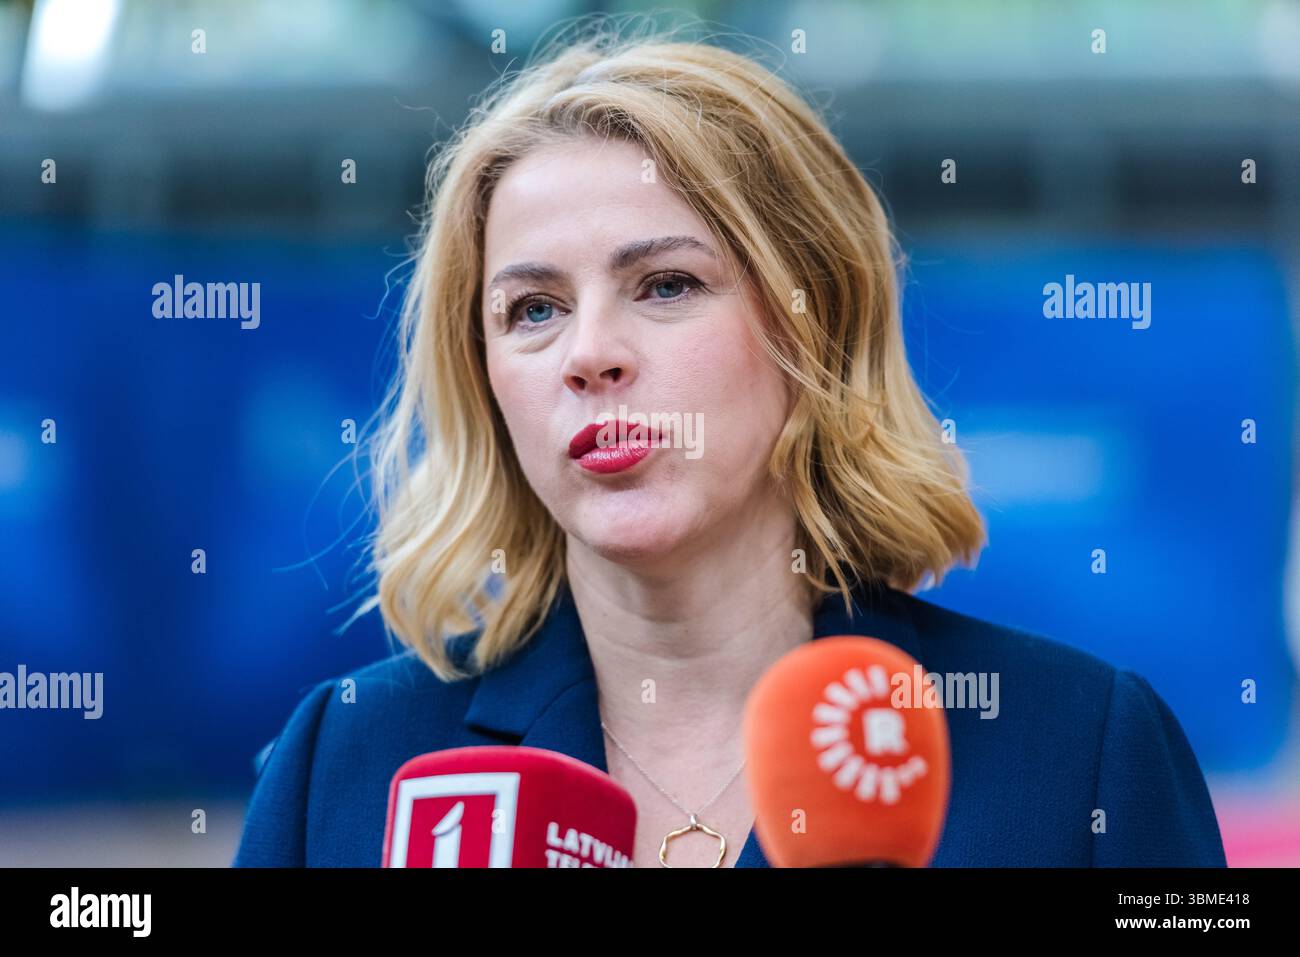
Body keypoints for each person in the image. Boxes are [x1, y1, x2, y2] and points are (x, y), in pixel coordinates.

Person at [233, 24, 1225, 868]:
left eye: (665, 285)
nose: (589, 356)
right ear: (485, 374)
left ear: (811, 326)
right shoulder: (346, 766)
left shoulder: (1079, 750)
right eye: (533, 309)